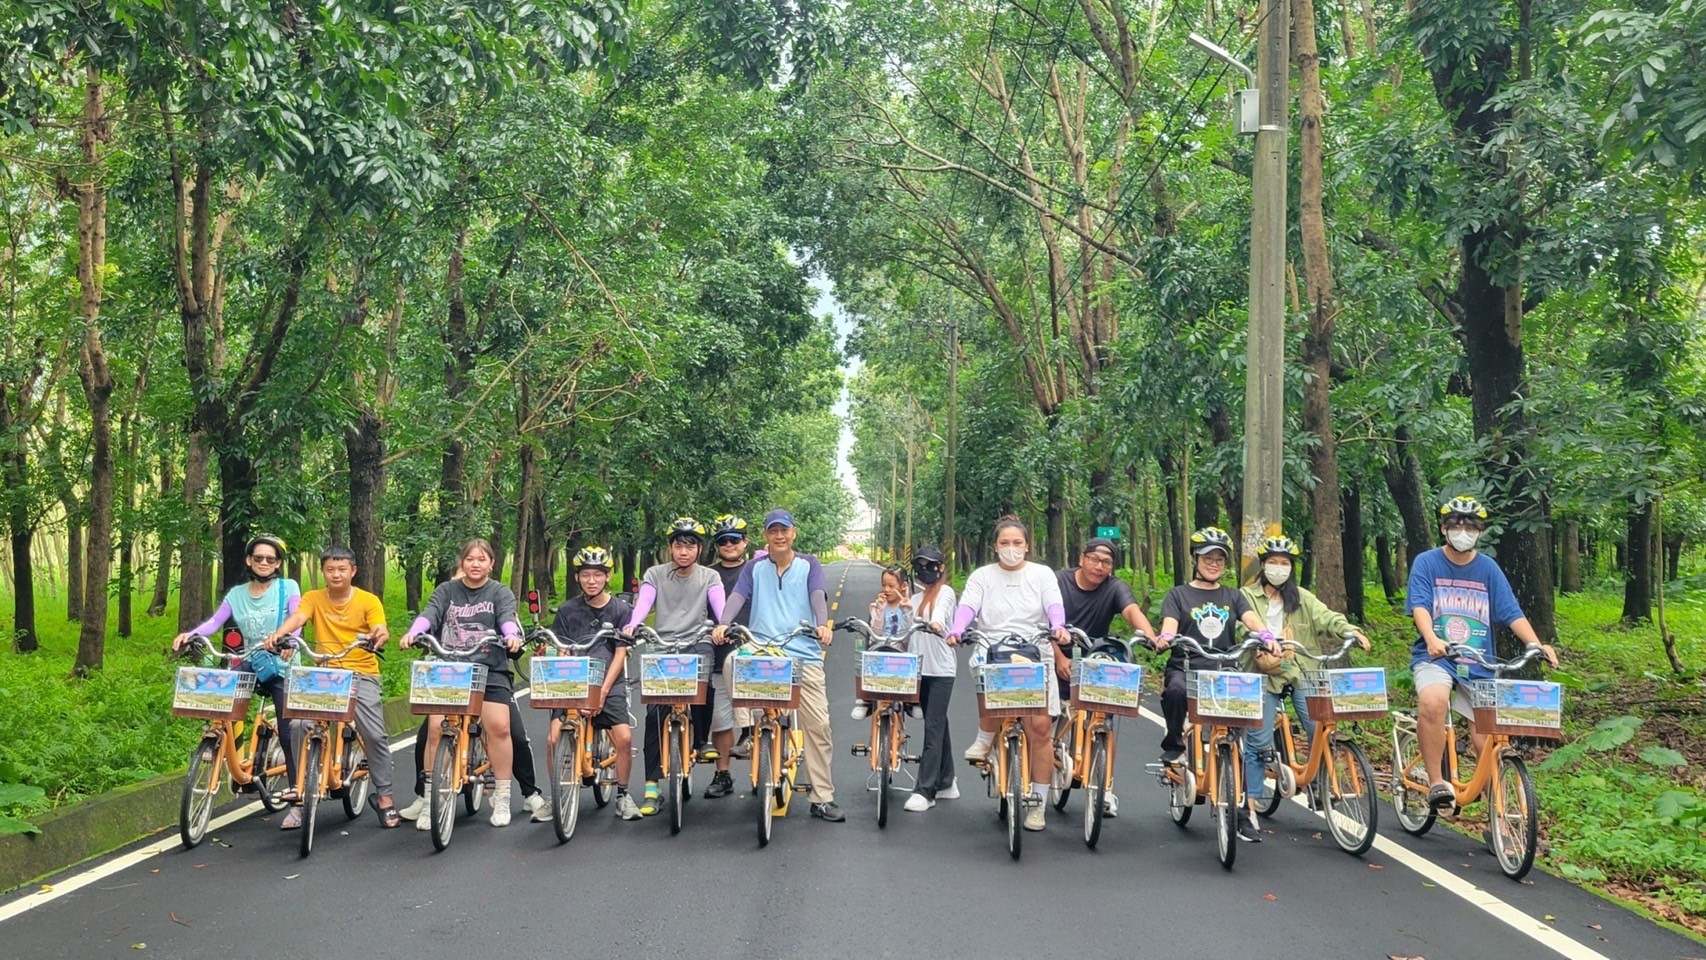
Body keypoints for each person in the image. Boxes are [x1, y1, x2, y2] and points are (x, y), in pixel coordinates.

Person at [1409, 496, 1558, 812]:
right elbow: (1420, 605)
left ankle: (1499, 815)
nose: (1463, 531)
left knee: (1486, 740)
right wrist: (1432, 638)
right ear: (1444, 528)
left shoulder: (1488, 568)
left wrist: (1536, 644)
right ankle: (1437, 781)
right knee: (1433, 703)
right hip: (1438, 657)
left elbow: (1511, 612)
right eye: (1456, 525)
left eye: (1470, 526)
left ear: (1480, 530)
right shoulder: (1427, 562)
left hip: (1480, 663)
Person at [1236, 535, 1370, 842]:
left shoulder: (1303, 599)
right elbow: (1239, 623)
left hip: (1301, 671)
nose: (1279, 569)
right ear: (1263, 564)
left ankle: (1318, 784)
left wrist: (1350, 630)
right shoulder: (1246, 595)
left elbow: (1327, 617)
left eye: (1285, 564)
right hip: (1261, 674)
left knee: (1319, 727)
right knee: (1258, 740)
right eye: (1273, 562)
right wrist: (1256, 637)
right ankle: (1249, 807)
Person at [713, 508, 843, 822]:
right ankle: (746, 728)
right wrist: (723, 623)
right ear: (766, 535)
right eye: (773, 531)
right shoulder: (755, 568)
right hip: (762, 648)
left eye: (784, 530)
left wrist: (822, 624)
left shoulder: (809, 564)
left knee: (819, 726)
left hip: (803, 651)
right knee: (732, 662)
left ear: (793, 533)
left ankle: (822, 797)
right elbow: (738, 597)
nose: (779, 536)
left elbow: (817, 595)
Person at [947, 518, 1071, 832]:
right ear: (995, 546)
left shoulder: (1041, 574)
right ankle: (984, 737)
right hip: (992, 648)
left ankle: (1038, 804)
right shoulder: (982, 576)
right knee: (986, 681)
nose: (1011, 549)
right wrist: (957, 629)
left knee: (1040, 729)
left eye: (1017, 543)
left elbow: (1054, 605)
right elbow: (968, 607)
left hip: (1035, 652)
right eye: (1005, 543)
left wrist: (1058, 627)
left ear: (1027, 545)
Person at [261, 545, 398, 830]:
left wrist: (378, 637)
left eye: (342, 569)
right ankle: (299, 798)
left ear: (353, 571)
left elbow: (380, 628)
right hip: (324, 675)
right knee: (298, 724)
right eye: (330, 569)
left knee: (373, 733)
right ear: (323, 571)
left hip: (361, 673)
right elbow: (298, 618)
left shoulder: (368, 600)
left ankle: (385, 797)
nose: (336, 575)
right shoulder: (313, 598)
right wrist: (280, 634)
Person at [399, 539, 528, 828]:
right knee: (435, 728)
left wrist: (510, 635)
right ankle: (432, 797)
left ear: (491, 563)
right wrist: (414, 632)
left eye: (482, 559)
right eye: (470, 559)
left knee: (499, 727)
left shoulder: (499, 592)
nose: (475, 564)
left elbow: (507, 618)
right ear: (462, 562)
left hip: (489, 668)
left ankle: (503, 796)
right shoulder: (447, 590)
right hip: (450, 669)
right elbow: (429, 614)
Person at [174, 534, 303, 795]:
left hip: (282, 664)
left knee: (289, 733)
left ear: (278, 563)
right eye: (258, 558)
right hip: (252, 661)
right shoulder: (237, 594)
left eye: (270, 559)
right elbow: (214, 622)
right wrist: (191, 635)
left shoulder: (288, 587)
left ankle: (297, 792)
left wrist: (290, 642)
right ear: (249, 560)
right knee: (222, 688)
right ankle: (216, 739)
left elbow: (298, 617)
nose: (264, 562)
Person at [1154, 526, 1278, 778]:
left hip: (1223, 666)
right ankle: (1174, 744)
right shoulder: (1178, 594)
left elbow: (1251, 618)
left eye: (1219, 559)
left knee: (1246, 697)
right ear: (1196, 559)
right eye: (1208, 558)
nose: (1214, 564)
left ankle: (1235, 747)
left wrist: (1266, 636)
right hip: (1187, 665)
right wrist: (1166, 637)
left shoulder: (1232, 595)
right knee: (1176, 692)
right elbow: (1170, 624)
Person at [623, 517, 726, 816]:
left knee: (704, 682)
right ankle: (652, 785)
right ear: (670, 548)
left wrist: (724, 625)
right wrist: (633, 624)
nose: (684, 551)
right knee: (656, 710)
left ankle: (702, 739)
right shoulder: (655, 574)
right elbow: (645, 602)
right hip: (662, 643)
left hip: (698, 640)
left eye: (690, 545)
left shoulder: (709, 577)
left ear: (699, 549)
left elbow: (719, 606)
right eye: (678, 545)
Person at [1053, 536, 1158, 820]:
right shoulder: (1059, 582)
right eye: (1095, 560)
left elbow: (1131, 611)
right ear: (1082, 559)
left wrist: (1151, 636)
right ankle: (1032, 783)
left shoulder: (1114, 588)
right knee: (1041, 719)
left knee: (1105, 720)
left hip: (1094, 657)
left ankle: (1105, 786)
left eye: (1107, 563)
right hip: (1055, 652)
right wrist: (1059, 657)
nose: (1100, 567)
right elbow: (1042, 620)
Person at [544, 546, 639, 820]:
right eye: (586, 575)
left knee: (623, 738)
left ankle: (623, 794)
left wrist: (604, 691)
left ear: (608, 577)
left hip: (609, 681)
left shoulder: (621, 610)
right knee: (552, 739)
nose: (592, 580)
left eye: (598, 575)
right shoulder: (566, 610)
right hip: (574, 680)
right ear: (578, 578)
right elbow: (561, 647)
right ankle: (555, 796)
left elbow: (620, 653)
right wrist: (557, 679)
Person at [901, 546, 959, 813]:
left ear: (941, 567)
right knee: (939, 722)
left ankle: (926, 791)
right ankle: (947, 782)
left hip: (941, 671)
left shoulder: (945, 593)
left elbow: (942, 613)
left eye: (931, 564)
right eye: (920, 565)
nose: (926, 569)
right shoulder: (915, 598)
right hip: (918, 669)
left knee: (933, 727)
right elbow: (903, 632)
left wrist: (936, 624)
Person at [703, 514, 755, 781]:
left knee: (764, 717)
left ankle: (765, 775)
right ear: (716, 545)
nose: (729, 545)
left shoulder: (757, 570)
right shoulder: (707, 575)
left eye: (735, 539)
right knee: (720, 721)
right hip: (716, 654)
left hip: (754, 655)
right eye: (723, 541)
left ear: (745, 542)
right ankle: (722, 775)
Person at [850, 565, 913, 721]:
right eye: (884, 585)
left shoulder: (910, 607)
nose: (886, 589)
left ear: (904, 586)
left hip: (901, 653)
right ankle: (865, 701)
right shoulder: (876, 606)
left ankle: (913, 702)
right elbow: (875, 633)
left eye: (891, 586)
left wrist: (907, 610)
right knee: (864, 658)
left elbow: (911, 633)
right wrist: (879, 610)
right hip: (880, 650)